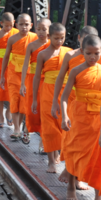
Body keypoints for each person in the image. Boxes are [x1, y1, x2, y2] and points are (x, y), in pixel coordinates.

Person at [51, 26, 101, 188]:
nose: (93, 57)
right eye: (88, 53)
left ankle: (80, 177)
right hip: (77, 108)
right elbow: (61, 82)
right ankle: (71, 182)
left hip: (97, 114)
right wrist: (60, 108)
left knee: (93, 150)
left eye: (96, 53)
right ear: (81, 49)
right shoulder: (73, 63)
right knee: (75, 146)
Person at [31, 22, 70, 173]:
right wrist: (34, 98)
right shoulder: (42, 54)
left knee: (63, 124)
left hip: (65, 92)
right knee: (48, 127)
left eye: (62, 38)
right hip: (47, 91)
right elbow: (36, 77)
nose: (59, 41)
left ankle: (59, 154)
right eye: (56, 38)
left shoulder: (68, 53)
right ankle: (51, 161)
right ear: (49, 37)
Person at [0, 13, 37, 140]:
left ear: (31, 25)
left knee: (24, 103)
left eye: (26, 24)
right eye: (21, 24)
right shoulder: (12, 38)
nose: (24, 27)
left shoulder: (35, 38)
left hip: (28, 75)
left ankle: (21, 126)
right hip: (13, 74)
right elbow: (6, 57)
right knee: (14, 100)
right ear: (16, 25)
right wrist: (1, 76)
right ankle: (16, 129)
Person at [20, 19, 51, 143]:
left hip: (46, 81)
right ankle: (27, 128)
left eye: (44, 29)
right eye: (38, 29)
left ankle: (43, 141)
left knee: (45, 109)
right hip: (32, 79)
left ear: (50, 30)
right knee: (31, 108)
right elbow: (25, 64)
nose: (41, 32)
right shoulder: (32, 45)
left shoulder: (52, 46)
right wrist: (22, 83)